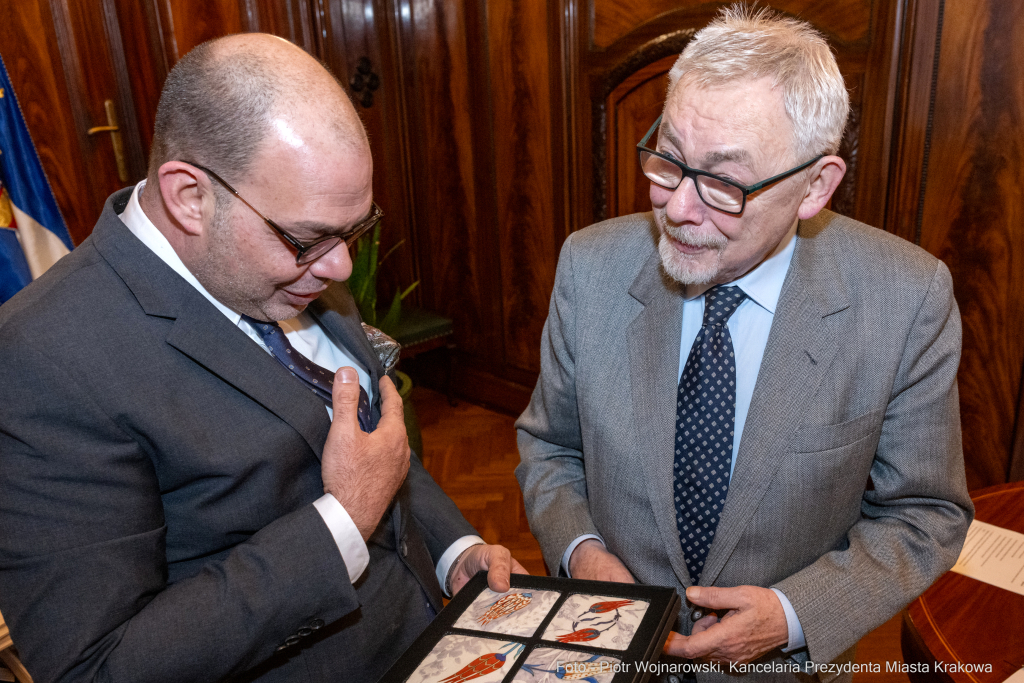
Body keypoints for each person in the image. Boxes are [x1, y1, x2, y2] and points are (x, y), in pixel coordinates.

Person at [0, 34, 524, 683]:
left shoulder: (285, 257)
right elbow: (97, 667)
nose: (340, 266)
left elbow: (373, 447)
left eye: (355, 230)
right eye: (310, 240)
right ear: (191, 197)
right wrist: (342, 521)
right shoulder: (43, 357)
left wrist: (456, 551)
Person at [516, 6, 972, 681]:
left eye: (724, 182)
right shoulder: (591, 266)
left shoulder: (905, 300)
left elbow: (924, 513)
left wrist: (792, 613)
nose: (676, 207)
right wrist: (580, 550)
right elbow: (549, 445)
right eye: (669, 160)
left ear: (815, 186)